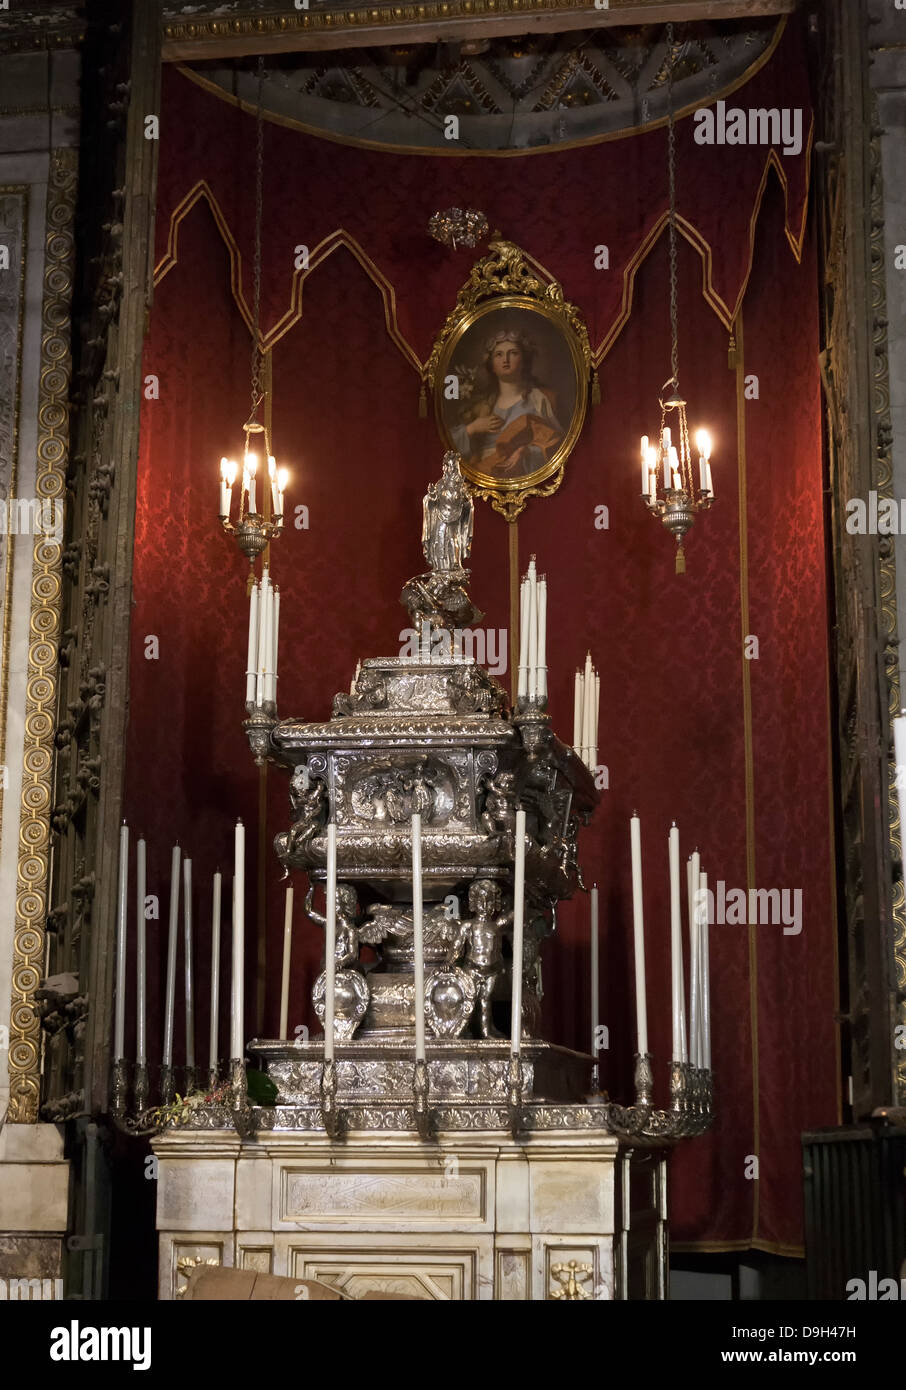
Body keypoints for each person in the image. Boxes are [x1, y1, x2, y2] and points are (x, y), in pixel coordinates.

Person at [452, 328, 564, 478]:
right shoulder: (480, 407)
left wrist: (526, 452)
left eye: (513, 353)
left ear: (524, 361)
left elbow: (557, 446)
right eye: (499, 354)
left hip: (524, 476)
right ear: (491, 365)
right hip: (484, 478)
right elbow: (448, 449)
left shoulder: (541, 399)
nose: (506, 359)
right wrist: (472, 428)